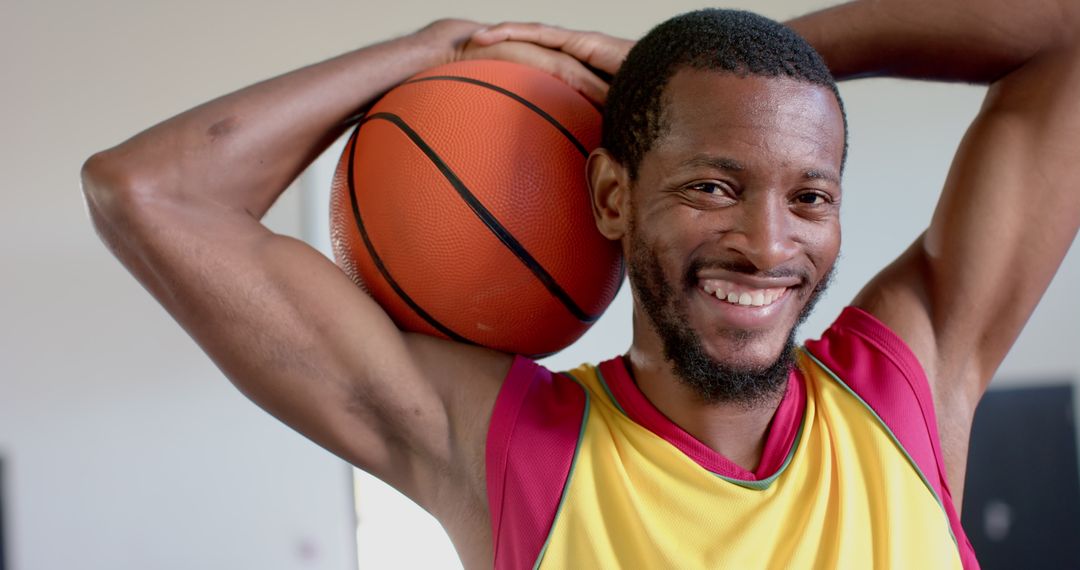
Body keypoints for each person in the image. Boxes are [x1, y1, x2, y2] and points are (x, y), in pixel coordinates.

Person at [81, 0, 1078, 567]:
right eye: (714, 184)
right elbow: (150, 194)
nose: (766, 243)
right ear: (613, 196)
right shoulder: (507, 448)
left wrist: (755, 66)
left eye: (810, 196)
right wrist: (440, 51)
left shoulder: (904, 389)